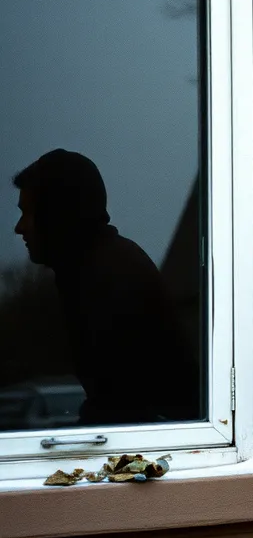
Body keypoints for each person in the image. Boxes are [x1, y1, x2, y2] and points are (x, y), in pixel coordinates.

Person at [12, 150, 198, 424]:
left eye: (29, 213)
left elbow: (122, 406)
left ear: (56, 214)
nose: (19, 227)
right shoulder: (91, 266)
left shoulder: (106, 276)